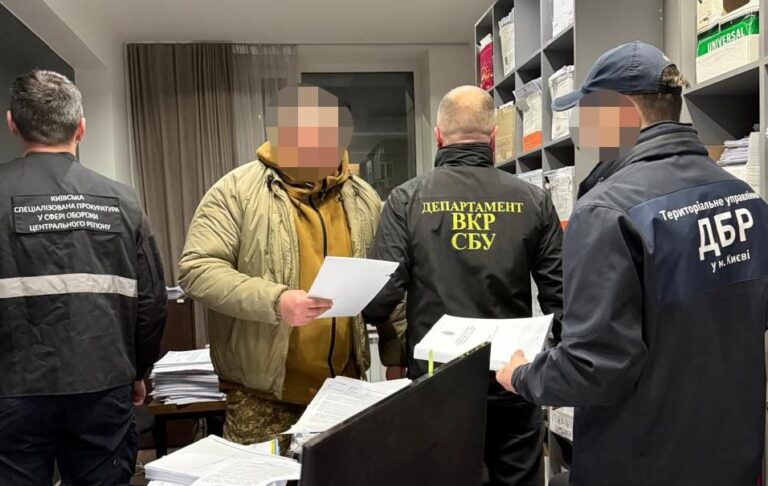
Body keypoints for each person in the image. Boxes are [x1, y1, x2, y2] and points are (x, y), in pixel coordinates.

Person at [496, 41, 768, 486]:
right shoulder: (743, 198)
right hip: (732, 456)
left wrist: (523, 376)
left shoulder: (607, 210)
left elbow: (594, 365)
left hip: (642, 461)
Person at [178, 85, 401, 448]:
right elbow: (197, 269)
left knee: (343, 474)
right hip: (260, 396)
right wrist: (275, 301)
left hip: (343, 391)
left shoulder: (363, 198)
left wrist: (395, 353)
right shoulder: (235, 191)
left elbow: (387, 281)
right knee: (262, 475)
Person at [363, 85, 564, 486]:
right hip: (511, 377)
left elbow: (378, 299)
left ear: (438, 136)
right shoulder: (533, 200)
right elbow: (562, 298)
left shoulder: (406, 200)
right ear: (493, 137)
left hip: (437, 383)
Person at [0, 69, 167, 485]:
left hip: (11, 391)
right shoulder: (122, 201)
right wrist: (138, 370)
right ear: (81, 128)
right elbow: (151, 301)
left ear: (12, 124)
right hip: (102, 384)